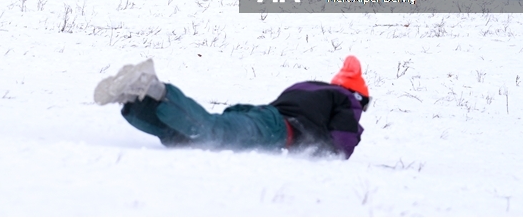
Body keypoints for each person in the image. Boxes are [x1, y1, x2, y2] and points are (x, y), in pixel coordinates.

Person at [94, 56, 370, 158]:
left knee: (187, 140)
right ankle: (158, 91)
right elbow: (341, 147)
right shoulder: (346, 97)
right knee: (210, 132)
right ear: (357, 94)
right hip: (273, 129)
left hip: (259, 115)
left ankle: (135, 101)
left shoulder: (311, 86)